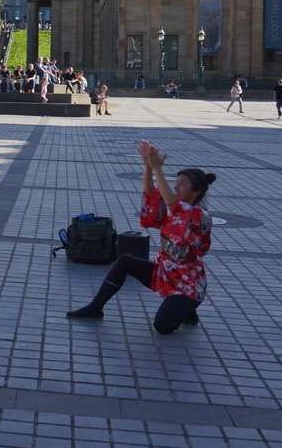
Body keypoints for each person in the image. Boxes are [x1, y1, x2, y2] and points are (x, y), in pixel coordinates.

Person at [67, 140, 214, 334]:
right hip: (165, 272)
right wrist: (147, 167)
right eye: (176, 182)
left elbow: (172, 203)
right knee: (125, 262)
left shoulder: (198, 215)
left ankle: (188, 308)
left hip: (188, 284)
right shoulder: (177, 208)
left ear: (196, 192)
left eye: (182, 184)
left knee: (162, 327)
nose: (176, 187)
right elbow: (152, 195)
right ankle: (95, 307)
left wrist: (157, 168)